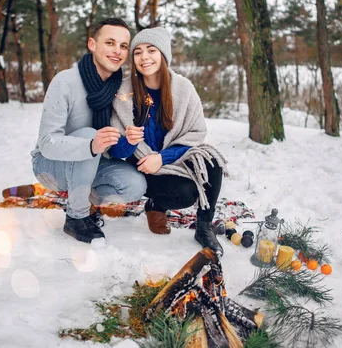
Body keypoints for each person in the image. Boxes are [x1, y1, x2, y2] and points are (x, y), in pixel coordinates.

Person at [109, 27, 227, 256]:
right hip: (142, 166)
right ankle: (156, 205)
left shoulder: (183, 89)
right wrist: (131, 142)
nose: (144, 57)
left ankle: (203, 227)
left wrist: (161, 158)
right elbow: (115, 151)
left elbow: (195, 136)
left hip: (173, 158)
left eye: (151, 50)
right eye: (138, 52)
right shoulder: (124, 92)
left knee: (211, 160)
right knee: (185, 194)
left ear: (163, 55)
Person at [31, 18, 147, 245]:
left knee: (135, 185)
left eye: (123, 46)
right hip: (51, 165)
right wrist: (90, 145)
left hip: (94, 162)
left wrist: (129, 140)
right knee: (88, 135)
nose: (117, 51)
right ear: (92, 44)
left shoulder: (120, 88)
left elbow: (113, 149)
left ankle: (84, 196)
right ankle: (76, 217)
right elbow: (46, 142)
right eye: (110, 43)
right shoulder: (65, 82)